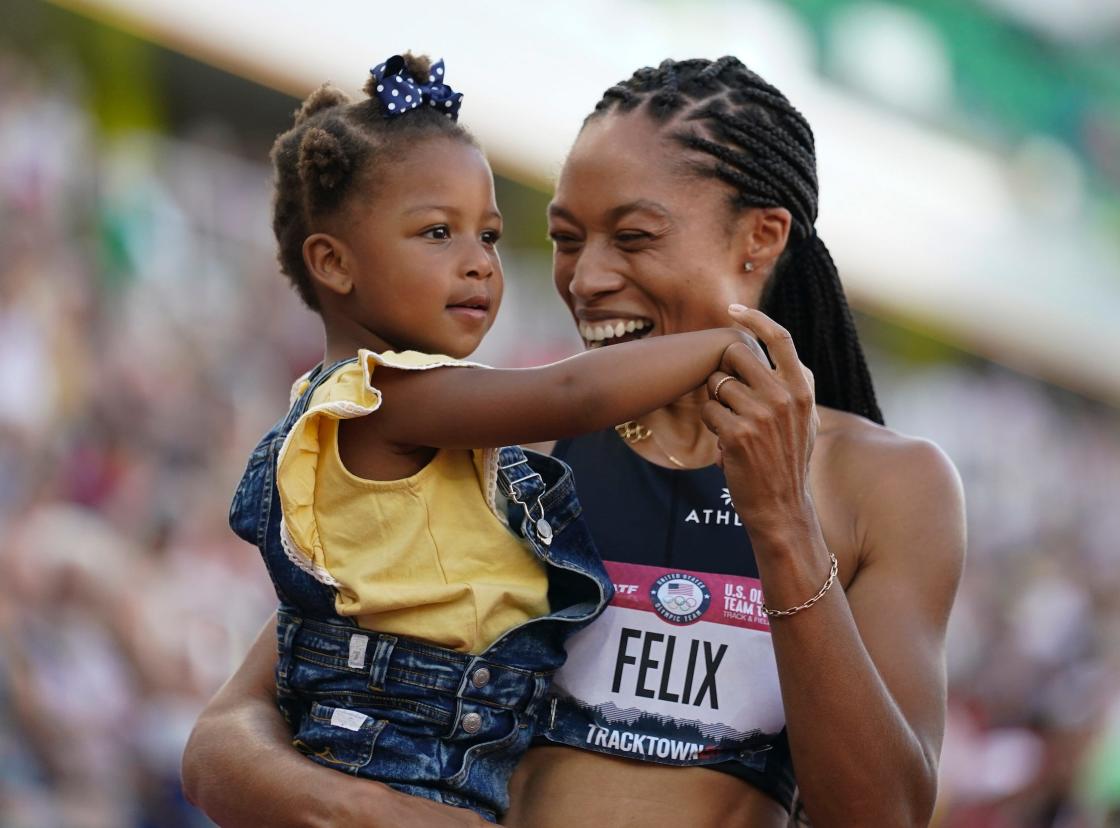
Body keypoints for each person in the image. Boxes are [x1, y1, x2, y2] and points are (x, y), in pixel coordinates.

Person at [183, 56, 966, 827]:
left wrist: (783, 524)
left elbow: (883, 812)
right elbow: (224, 741)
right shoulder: (510, 443)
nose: (586, 278)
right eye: (564, 239)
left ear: (759, 240)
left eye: (632, 237)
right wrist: (367, 809)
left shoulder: (886, 486)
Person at [231, 51, 766, 823]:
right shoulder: (381, 399)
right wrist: (725, 342)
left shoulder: (410, 408)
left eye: (488, 235)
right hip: (395, 744)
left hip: (451, 739)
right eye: (438, 232)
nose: (480, 264)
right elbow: (570, 392)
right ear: (333, 264)